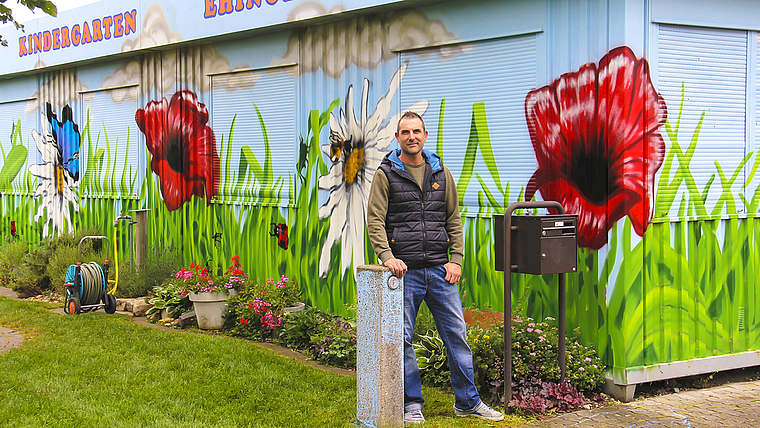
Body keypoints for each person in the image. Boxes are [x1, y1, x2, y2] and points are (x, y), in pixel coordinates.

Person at [366, 111, 504, 423]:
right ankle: (411, 404)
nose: (411, 137)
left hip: (441, 272)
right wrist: (387, 257)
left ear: (425, 136)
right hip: (404, 273)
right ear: (398, 137)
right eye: (405, 132)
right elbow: (375, 220)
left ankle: (468, 402)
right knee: (402, 338)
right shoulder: (386, 174)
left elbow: (453, 219)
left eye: (416, 131)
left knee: (457, 335)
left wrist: (456, 260)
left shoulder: (441, 173)